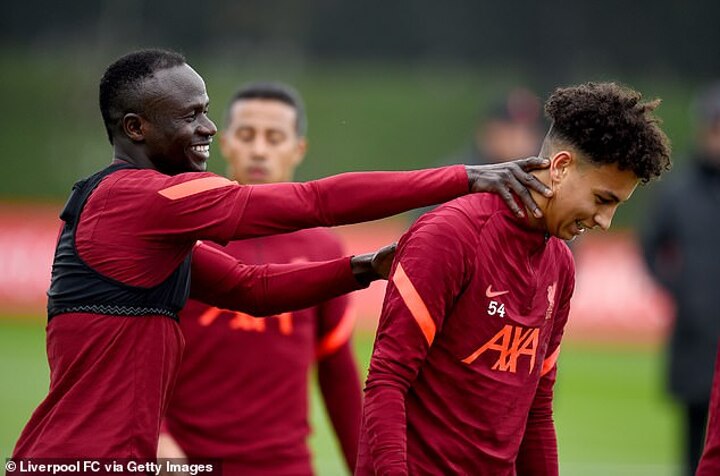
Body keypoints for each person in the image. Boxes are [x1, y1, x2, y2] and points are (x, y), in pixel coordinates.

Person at [10, 49, 553, 462]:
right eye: (191, 115)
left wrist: (367, 267)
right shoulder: (143, 199)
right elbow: (314, 201)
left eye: (207, 112)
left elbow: (252, 289)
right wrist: (465, 177)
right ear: (136, 128)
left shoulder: (138, 222)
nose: (209, 128)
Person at [356, 82, 671, 475]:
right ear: (560, 167)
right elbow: (387, 380)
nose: (605, 222)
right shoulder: (450, 235)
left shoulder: (560, 263)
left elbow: (537, 411)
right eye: (602, 199)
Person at [157, 82, 363, 475]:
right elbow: (137, 355)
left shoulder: (323, 247)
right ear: (224, 143)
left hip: (285, 467)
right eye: (247, 135)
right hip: (185, 464)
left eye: (274, 138)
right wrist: (157, 436)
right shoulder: (182, 233)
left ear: (298, 149)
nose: (259, 150)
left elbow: (339, 375)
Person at [671, 83, 720, 476]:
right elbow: (650, 247)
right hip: (694, 333)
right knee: (694, 441)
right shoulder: (679, 192)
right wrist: (680, 290)